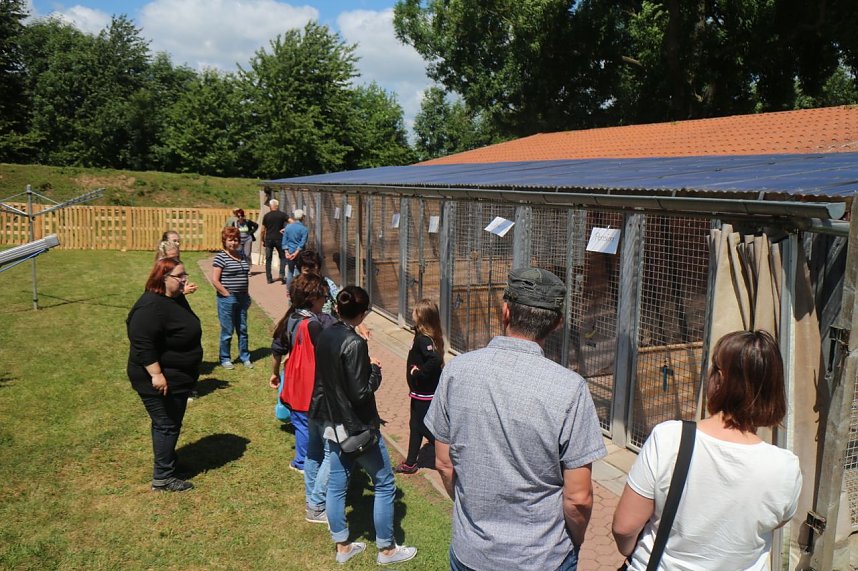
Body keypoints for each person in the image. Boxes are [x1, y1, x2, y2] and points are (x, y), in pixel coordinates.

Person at [425, 267, 607, 571]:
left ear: (505, 311)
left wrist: (473, 515)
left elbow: (443, 463)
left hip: (471, 552)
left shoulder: (457, 371)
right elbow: (578, 498)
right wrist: (573, 542)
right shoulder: (570, 389)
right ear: (558, 323)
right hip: (542, 557)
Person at [611, 330, 802, 570]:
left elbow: (624, 527)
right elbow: (774, 521)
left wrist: (630, 551)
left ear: (720, 379)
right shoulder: (786, 467)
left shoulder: (669, 438)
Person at [309, 286, 417, 566]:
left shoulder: (327, 332)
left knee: (336, 484)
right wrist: (375, 369)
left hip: (332, 421)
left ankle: (343, 546)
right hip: (357, 427)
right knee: (384, 482)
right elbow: (360, 393)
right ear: (362, 313)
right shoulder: (355, 343)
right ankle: (387, 549)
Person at [126, 257, 202, 492]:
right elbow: (142, 344)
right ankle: (163, 477)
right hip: (158, 379)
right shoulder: (150, 307)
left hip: (178, 376)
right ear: (163, 278)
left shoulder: (173, 299)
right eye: (179, 276)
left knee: (169, 423)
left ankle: (167, 462)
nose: (184, 279)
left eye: (184, 274)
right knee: (166, 424)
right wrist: (156, 374)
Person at [269, 274, 329, 475]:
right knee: (306, 422)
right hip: (311, 380)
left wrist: (275, 373)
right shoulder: (315, 323)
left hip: (297, 380)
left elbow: (277, 349)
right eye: (324, 297)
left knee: (302, 422)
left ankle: (304, 460)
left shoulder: (291, 319)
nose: (326, 301)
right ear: (313, 298)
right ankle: (304, 461)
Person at [394, 299, 444, 475]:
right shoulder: (421, 335)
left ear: (421, 317)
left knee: (422, 426)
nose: (411, 314)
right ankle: (410, 463)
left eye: (415, 312)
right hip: (419, 392)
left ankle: (450, 454)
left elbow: (435, 360)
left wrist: (419, 373)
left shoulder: (424, 340)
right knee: (415, 425)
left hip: (424, 392)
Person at [211, 226, 252, 370]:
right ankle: (225, 358)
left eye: (235, 240)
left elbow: (244, 277)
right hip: (227, 299)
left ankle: (245, 357)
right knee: (227, 330)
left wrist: (246, 295)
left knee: (242, 329)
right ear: (225, 241)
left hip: (242, 298)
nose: (233, 243)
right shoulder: (221, 257)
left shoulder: (242, 255)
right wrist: (227, 294)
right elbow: (215, 280)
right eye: (230, 240)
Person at [260, 199, 289, 284]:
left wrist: (262, 239)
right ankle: (282, 274)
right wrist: (286, 229)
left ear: (270, 206)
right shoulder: (282, 215)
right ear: (277, 206)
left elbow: (262, 229)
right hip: (280, 238)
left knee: (268, 259)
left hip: (269, 239)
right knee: (282, 257)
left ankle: (269, 278)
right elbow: (292, 221)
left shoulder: (266, 216)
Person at [282, 209, 308, 288]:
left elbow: (284, 241)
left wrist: (287, 252)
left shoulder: (288, 227)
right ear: (302, 217)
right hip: (299, 253)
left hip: (289, 251)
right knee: (298, 270)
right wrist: (296, 253)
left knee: (290, 271)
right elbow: (302, 243)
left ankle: (288, 289)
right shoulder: (304, 229)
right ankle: (297, 288)